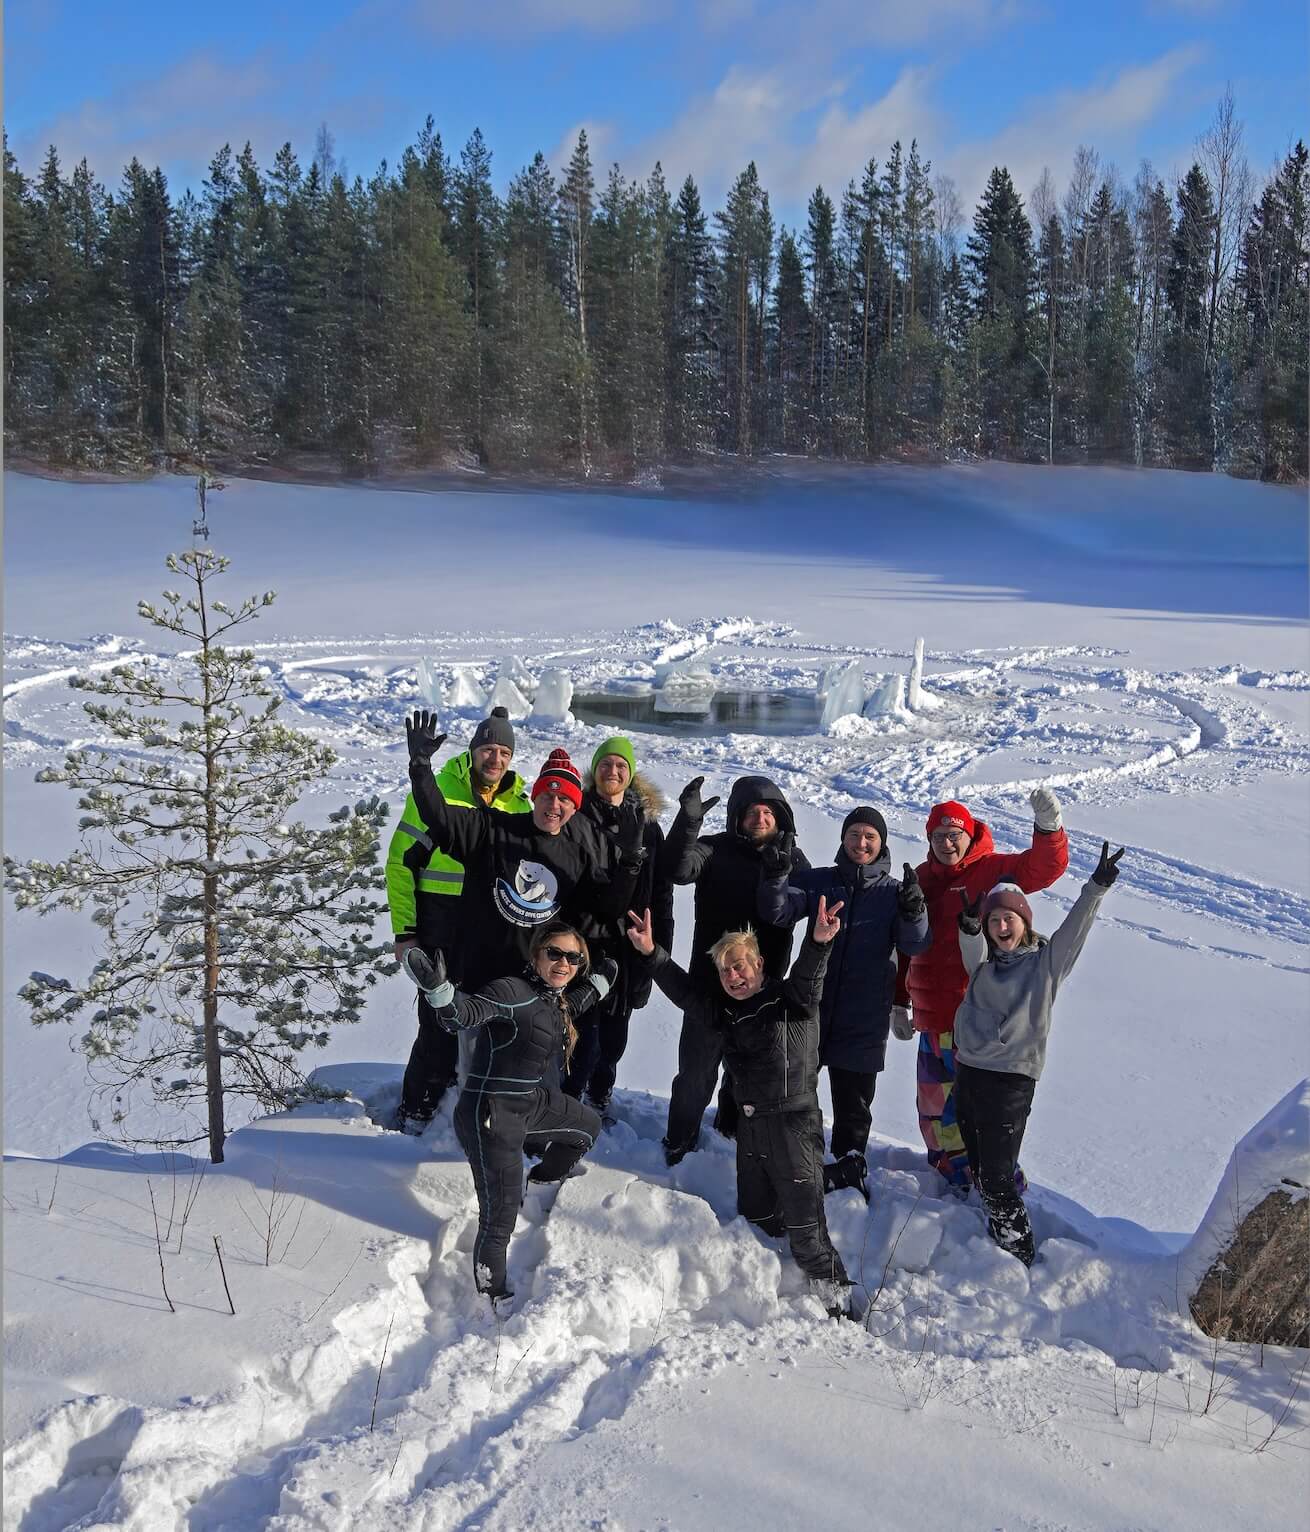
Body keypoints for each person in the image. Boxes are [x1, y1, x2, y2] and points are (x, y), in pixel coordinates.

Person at [626, 898, 855, 1319]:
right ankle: (775, 1285)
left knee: (807, 1234)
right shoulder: (726, 1012)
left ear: (760, 964)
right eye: (725, 970)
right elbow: (686, 995)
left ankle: (841, 1311)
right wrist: (650, 954)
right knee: (757, 1220)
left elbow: (809, 974)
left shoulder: (792, 1000)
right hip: (751, 1131)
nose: (733, 976)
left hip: (794, 1125)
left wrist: (819, 942)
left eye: (740, 966)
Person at [404, 924, 618, 1310]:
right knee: (499, 1218)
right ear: (536, 954)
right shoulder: (510, 991)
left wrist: (602, 982)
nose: (564, 963)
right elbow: (463, 1014)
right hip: (489, 1115)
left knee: (587, 1126)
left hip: (529, 1102)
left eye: (574, 958)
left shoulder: (556, 999)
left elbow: (576, 1003)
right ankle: (493, 1298)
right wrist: (439, 992)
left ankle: (541, 1183)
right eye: (555, 953)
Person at [952, 841, 1125, 1265]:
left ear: (1024, 923)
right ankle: (994, 1237)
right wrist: (970, 924)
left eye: (1008, 917)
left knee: (996, 1176)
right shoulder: (984, 965)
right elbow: (970, 944)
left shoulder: (1045, 966)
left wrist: (1095, 889)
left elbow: (1073, 932)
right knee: (979, 1166)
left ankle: (1020, 1253)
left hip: (1011, 1080)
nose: (1000, 926)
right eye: (994, 920)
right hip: (969, 1071)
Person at [893, 789, 1069, 1192]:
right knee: (936, 1117)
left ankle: (1000, 1189)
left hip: (977, 1022)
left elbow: (1043, 869)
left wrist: (1048, 828)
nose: (947, 842)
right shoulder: (920, 880)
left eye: (954, 834)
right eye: (938, 836)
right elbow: (905, 941)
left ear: (971, 836)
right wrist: (898, 1001)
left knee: (980, 1115)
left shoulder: (991, 871)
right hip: (933, 1021)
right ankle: (955, 1192)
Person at [757, 806, 932, 1201]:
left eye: (870, 836)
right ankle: (790, 1160)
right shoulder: (821, 881)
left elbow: (915, 943)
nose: (861, 843)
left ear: (881, 842)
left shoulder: (892, 892)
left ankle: (849, 1171)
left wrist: (914, 909)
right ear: (843, 840)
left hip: (864, 1017)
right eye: (854, 835)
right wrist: (775, 877)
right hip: (811, 1010)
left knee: (854, 1106)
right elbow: (778, 912)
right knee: (795, 1091)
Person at [402, 710, 645, 994]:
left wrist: (630, 862)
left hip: (536, 988)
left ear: (575, 808)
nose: (554, 805)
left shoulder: (576, 857)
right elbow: (438, 816)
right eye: (547, 795)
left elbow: (607, 910)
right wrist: (420, 767)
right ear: (535, 797)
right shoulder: (491, 827)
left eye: (564, 799)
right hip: (477, 980)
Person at [387, 705, 530, 1133]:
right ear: (473, 751)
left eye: (504, 751)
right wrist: (406, 932)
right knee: (435, 1025)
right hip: (439, 923)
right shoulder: (440, 792)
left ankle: (468, 1101)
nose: (495, 758)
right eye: (488, 748)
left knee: (482, 1019)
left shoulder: (520, 803)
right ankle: (417, 1109)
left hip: (491, 927)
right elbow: (400, 863)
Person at [659, 774, 810, 1164]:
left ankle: (731, 1128)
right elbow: (677, 869)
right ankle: (679, 1142)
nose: (760, 819)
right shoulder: (714, 849)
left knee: (746, 1072)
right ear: (736, 817)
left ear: (781, 818)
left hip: (763, 994)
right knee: (695, 1073)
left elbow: (814, 904)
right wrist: (688, 822)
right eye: (751, 812)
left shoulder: (793, 859)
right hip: (710, 986)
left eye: (768, 812)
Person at [563, 736, 675, 1118]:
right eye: (606, 764)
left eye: (621, 766)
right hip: (586, 940)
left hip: (630, 944)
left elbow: (661, 894)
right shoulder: (576, 818)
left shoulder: (649, 828)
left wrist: (658, 951)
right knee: (583, 1030)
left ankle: (601, 1091)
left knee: (614, 1033)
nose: (612, 772)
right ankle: (569, 1099)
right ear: (595, 771)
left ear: (630, 776)